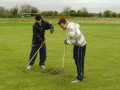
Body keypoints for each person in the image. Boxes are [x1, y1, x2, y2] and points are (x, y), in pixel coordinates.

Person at [58, 18, 86, 83]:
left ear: (65, 23)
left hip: (80, 45)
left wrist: (66, 41)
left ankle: (80, 77)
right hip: (77, 44)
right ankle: (80, 73)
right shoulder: (71, 23)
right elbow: (78, 25)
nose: (62, 28)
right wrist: (76, 30)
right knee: (76, 58)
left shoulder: (70, 31)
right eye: (60, 26)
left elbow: (72, 42)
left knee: (79, 61)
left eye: (62, 26)